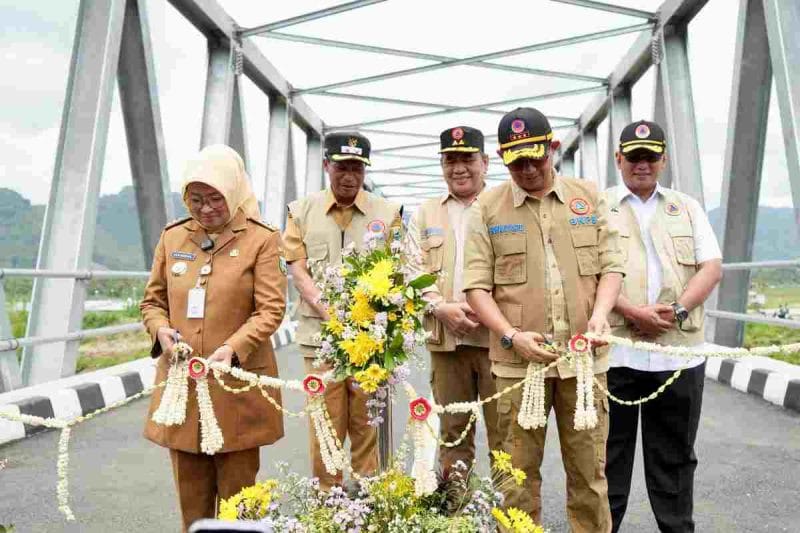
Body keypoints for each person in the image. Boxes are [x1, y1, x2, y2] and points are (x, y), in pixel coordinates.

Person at [463, 107, 624, 532]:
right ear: (501, 158)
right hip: (518, 366)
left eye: (536, 157)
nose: (528, 168)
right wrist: (511, 335)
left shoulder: (587, 197)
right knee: (515, 480)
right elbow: (476, 288)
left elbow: (611, 266)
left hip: (584, 363)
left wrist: (601, 316)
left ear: (553, 147)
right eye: (516, 161)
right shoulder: (487, 208)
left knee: (590, 477)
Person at [140, 145, 287, 531]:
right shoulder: (173, 238)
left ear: (235, 191)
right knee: (193, 505)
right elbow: (152, 302)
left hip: (236, 389)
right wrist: (161, 330)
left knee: (239, 506)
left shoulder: (262, 239)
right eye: (196, 199)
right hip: (183, 391)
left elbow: (270, 310)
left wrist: (231, 348)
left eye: (215, 198)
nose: (205, 209)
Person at [603, 120, 723, 533]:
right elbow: (585, 275)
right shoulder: (597, 209)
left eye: (650, 156)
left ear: (663, 160)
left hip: (678, 355)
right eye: (633, 157)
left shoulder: (687, 207)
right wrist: (634, 313)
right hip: (616, 354)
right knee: (607, 459)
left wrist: (679, 311)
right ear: (618, 159)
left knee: (674, 459)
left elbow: (711, 267)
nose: (642, 164)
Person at [282, 131, 403, 490]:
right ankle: (328, 503)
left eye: (357, 168)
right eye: (341, 167)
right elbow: (297, 269)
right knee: (325, 427)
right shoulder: (300, 212)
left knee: (369, 425)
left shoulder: (388, 214)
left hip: (371, 343)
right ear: (326, 166)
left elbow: (398, 269)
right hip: (320, 343)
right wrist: (328, 311)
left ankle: (369, 503)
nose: (349, 175)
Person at [405, 126, 501, 474]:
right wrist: (440, 307)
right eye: (450, 160)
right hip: (447, 342)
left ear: (485, 162)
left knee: (506, 438)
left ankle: (510, 522)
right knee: (452, 436)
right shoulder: (425, 213)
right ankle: (458, 514)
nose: (459, 168)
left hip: (497, 343)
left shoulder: (504, 205)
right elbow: (410, 268)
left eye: (467, 159)